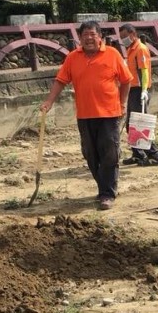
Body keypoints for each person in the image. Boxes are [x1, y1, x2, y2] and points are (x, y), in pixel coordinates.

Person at [41, 20, 132, 210]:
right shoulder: (73, 58)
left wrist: (122, 103)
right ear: (80, 38)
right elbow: (60, 81)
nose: (89, 38)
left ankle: (107, 193)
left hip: (109, 114)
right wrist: (49, 101)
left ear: (100, 37)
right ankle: (103, 187)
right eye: (85, 35)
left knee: (109, 153)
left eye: (93, 34)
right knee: (90, 154)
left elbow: (126, 81)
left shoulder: (112, 54)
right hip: (85, 114)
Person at [118, 23, 158, 166]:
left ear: (132, 34)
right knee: (131, 124)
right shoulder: (131, 49)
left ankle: (154, 155)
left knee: (140, 124)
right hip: (133, 89)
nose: (123, 40)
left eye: (125, 36)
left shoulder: (140, 49)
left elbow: (144, 71)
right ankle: (138, 154)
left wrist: (144, 90)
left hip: (139, 90)